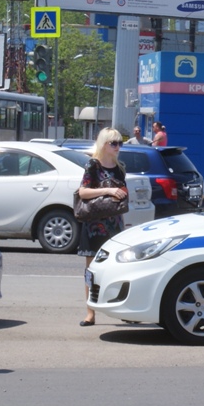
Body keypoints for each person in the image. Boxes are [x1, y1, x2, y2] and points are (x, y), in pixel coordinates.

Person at [77, 127, 128, 327]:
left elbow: (123, 192)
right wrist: (109, 190)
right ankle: (90, 313)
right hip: (94, 225)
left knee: (119, 268)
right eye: (113, 143)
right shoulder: (93, 165)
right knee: (91, 270)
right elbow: (83, 192)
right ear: (103, 144)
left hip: (114, 224)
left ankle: (122, 308)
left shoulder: (120, 167)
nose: (117, 147)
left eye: (120, 143)